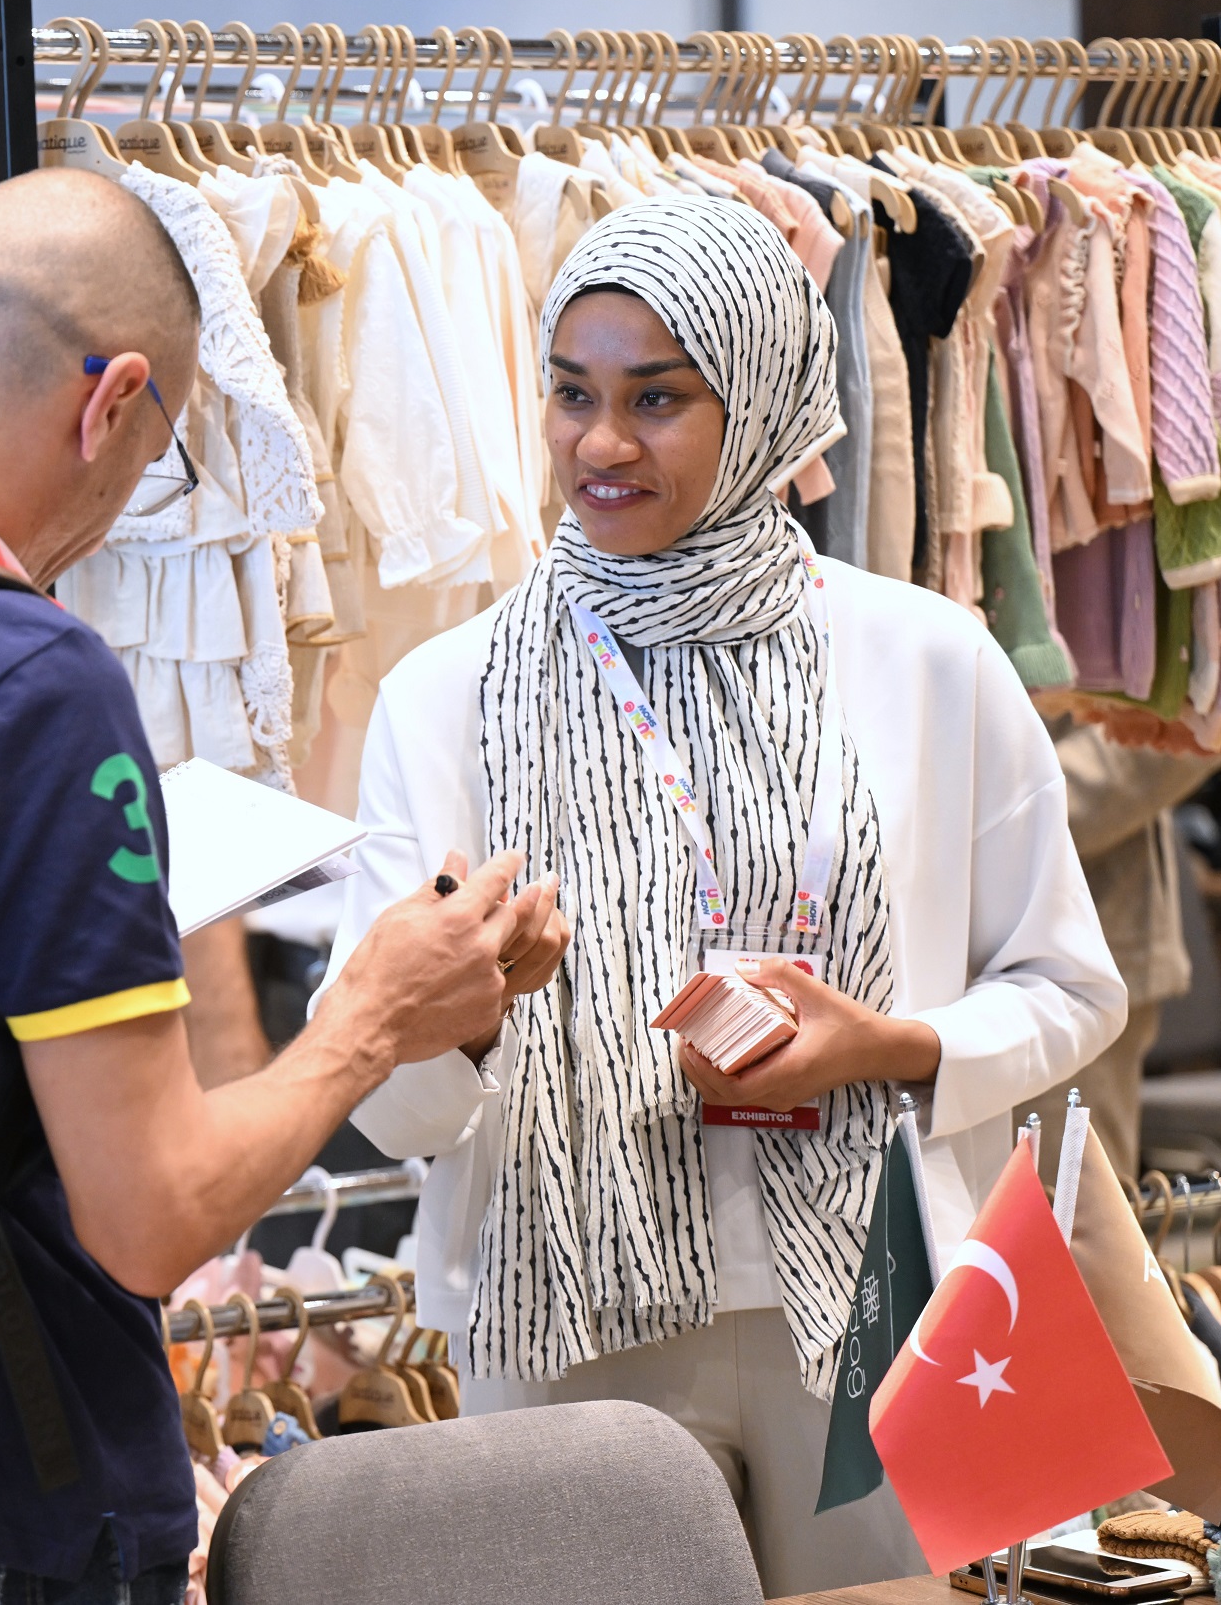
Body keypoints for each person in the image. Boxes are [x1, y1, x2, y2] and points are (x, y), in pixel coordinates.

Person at [0, 167, 564, 1604]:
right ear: (110, 398)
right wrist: (369, 1016)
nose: (133, 496)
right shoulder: (14, 672)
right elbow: (149, 1214)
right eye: (158, 456)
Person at [330, 197, 1126, 1596]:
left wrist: (884, 1046)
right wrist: (462, 1017)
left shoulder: (925, 661)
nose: (596, 443)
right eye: (570, 394)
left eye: (656, 398)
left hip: (878, 1305)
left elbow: (1069, 986)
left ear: (759, 399)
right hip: (561, 1316)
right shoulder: (443, 697)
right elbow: (385, 1100)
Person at [1017, 721, 1220, 1179]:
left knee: (1066, 1226)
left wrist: (1007, 811)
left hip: (1084, 947)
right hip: (943, 941)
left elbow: (1189, 718)